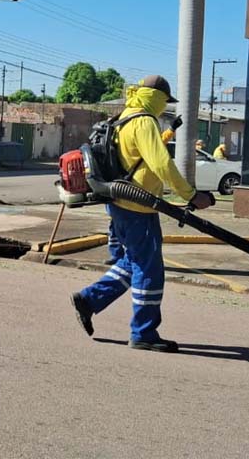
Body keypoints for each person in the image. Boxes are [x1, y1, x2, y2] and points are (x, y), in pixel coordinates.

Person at [71, 75, 215, 353]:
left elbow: (143, 152)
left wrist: (169, 132)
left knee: (133, 261)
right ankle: (144, 333)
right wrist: (191, 195)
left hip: (120, 204)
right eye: (165, 102)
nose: (165, 107)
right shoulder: (145, 121)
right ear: (158, 98)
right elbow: (161, 163)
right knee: (150, 271)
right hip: (138, 208)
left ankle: (89, 300)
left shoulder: (124, 117)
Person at [106, 114, 183, 266]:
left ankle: (118, 256)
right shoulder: (138, 127)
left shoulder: (116, 133)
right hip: (130, 194)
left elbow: (159, 142)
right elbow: (158, 149)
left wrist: (171, 129)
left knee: (116, 226)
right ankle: (120, 257)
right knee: (127, 234)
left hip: (115, 191)